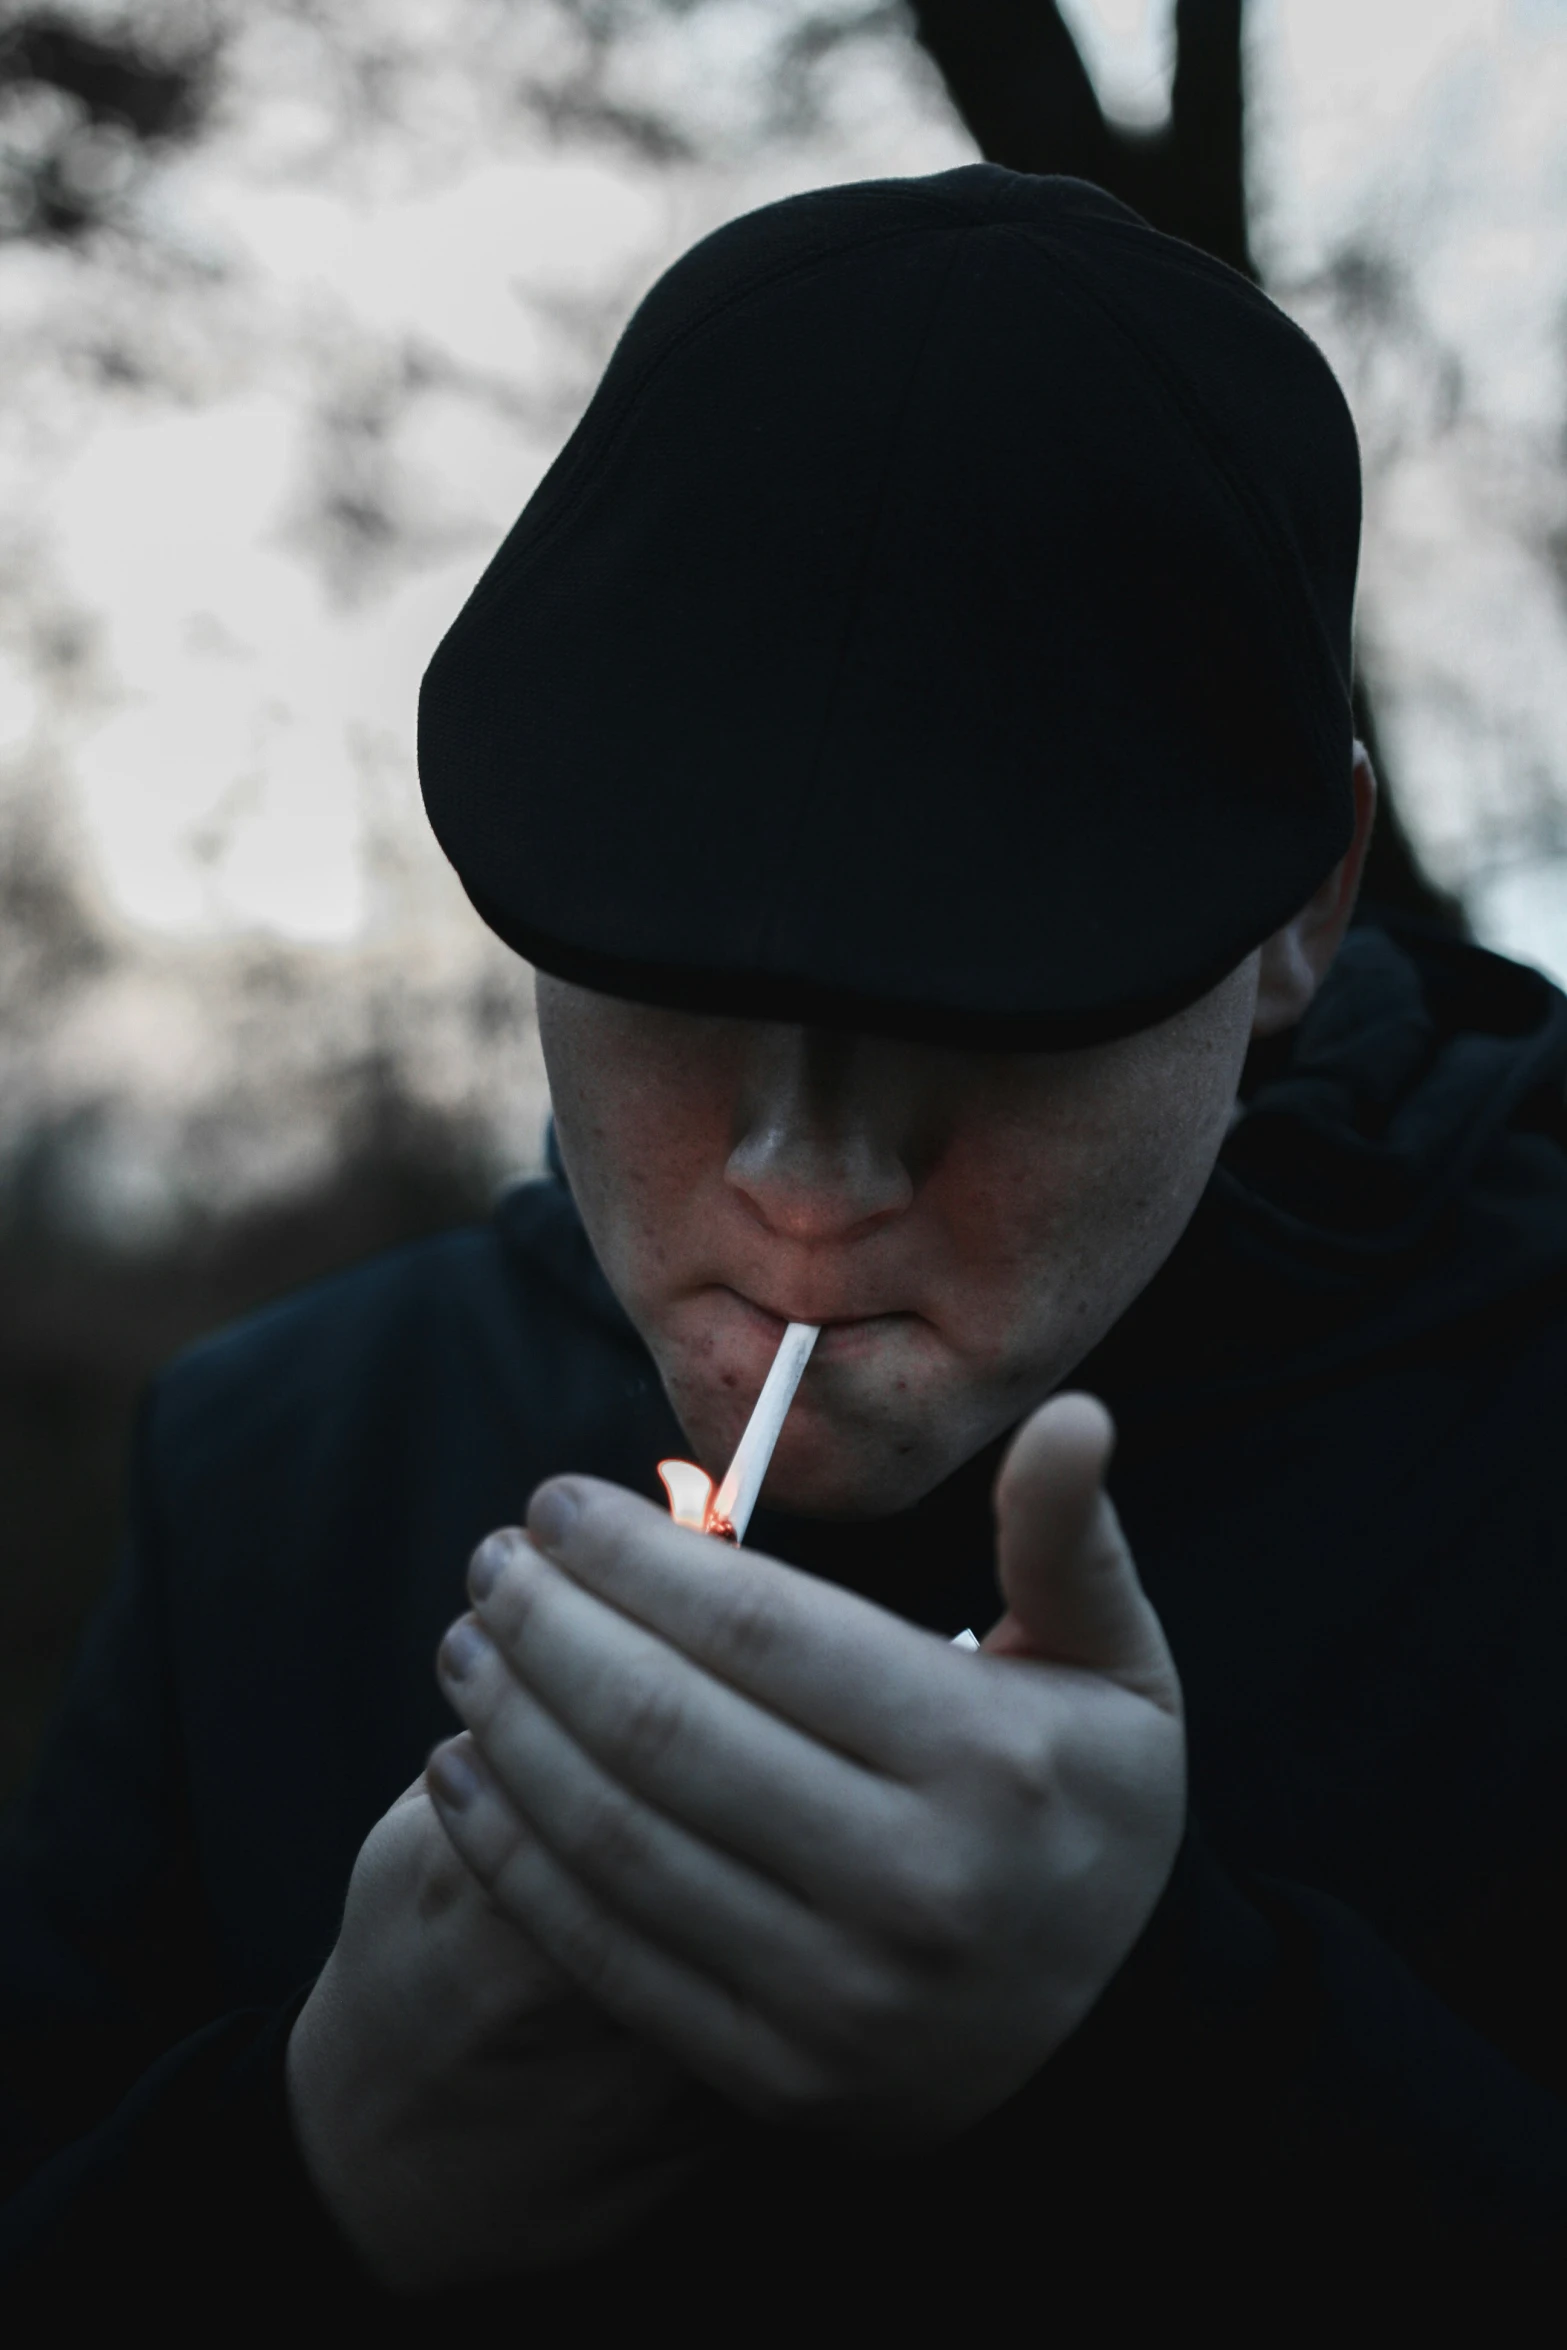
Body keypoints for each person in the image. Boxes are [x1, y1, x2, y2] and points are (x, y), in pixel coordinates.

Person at [3, 165, 1566, 2320]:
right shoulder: (275, 1469)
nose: (809, 1169)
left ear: (1300, 917)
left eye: (989, 999)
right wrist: (316, 2169)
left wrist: (1176, 2045)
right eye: (675, 968)